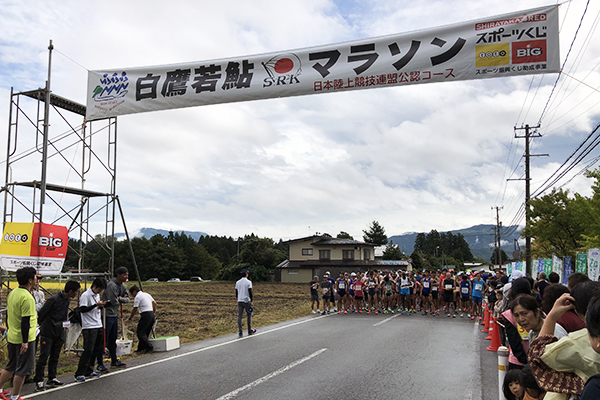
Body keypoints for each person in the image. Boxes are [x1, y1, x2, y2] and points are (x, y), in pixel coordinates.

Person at [33, 280, 81, 391]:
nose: (76, 294)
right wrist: (45, 325)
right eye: (76, 292)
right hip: (48, 331)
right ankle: (39, 380)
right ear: (70, 291)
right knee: (44, 356)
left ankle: (52, 377)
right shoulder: (53, 299)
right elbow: (42, 313)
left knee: (55, 356)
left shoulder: (67, 299)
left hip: (60, 331)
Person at [0, 267, 38, 400]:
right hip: (24, 338)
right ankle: (15, 396)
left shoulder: (13, 292)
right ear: (30, 280)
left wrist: (9, 329)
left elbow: (8, 314)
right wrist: (25, 341)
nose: (37, 280)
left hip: (12, 336)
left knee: (10, 366)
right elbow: (25, 322)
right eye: (35, 278)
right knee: (22, 370)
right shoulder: (27, 297)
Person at [74, 278, 106, 382]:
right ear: (95, 286)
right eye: (99, 289)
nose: (99, 292)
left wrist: (101, 306)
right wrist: (96, 305)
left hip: (98, 323)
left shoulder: (97, 295)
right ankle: (80, 372)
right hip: (89, 326)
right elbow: (82, 310)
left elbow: (95, 308)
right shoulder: (85, 295)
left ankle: (90, 369)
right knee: (88, 350)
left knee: (96, 349)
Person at [101, 267, 130, 368]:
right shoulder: (111, 285)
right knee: (104, 339)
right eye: (125, 275)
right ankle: (100, 363)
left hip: (114, 315)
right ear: (118, 275)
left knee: (113, 339)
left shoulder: (122, 286)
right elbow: (113, 301)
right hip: (106, 315)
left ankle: (114, 360)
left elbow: (128, 299)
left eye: (127, 275)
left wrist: (120, 299)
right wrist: (121, 299)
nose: (126, 277)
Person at [127, 286, 156, 353]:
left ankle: (149, 347)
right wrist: (153, 312)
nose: (132, 296)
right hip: (151, 314)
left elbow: (135, 308)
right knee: (145, 333)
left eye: (132, 294)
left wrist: (130, 318)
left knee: (140, 333)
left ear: (134, 292)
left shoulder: (138, 297)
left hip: (145, 315)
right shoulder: (147, 294)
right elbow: (154, 303)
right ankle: (141, 348)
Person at [236, 269, 256, 336]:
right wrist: (252, 300)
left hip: (240, 299)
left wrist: (237, 298)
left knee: (240, 315)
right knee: (249, 314)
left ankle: (240, 331)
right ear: (246, 274)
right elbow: (250, 291)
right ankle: (249, 329)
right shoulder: (248, 282)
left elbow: (236, 292)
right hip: (246, 299)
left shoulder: (238, 282)